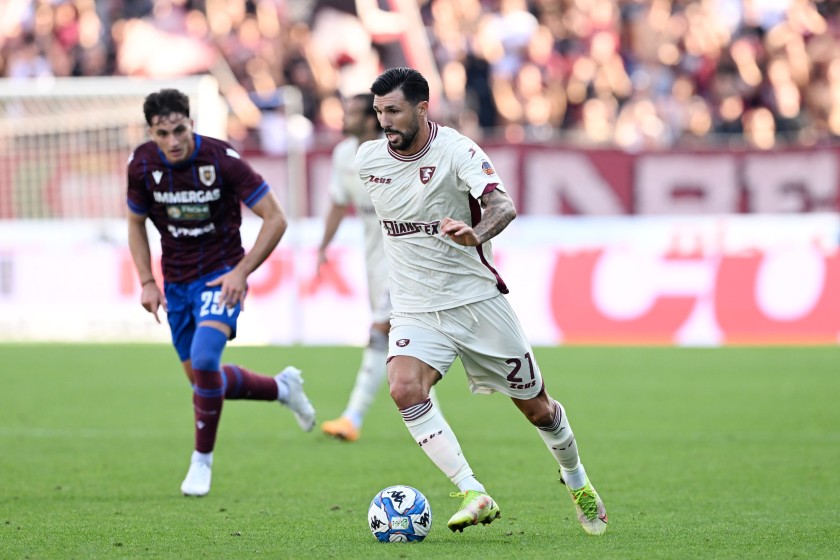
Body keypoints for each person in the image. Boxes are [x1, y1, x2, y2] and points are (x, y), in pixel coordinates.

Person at [356, 67, 608, 535]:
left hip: (476, 302)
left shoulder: (457, 151)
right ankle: (473, 490)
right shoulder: (369, 160)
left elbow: (502, 205)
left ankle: (575, 477)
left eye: (393, 110)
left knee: (539, 410)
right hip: (416, 305)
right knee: (404, 387)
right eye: (378, 112)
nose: (385, 121)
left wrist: (476, 233)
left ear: (421, 108)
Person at [126, 88, 316, 497]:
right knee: (202, 379)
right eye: (163, 133)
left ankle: (201, 462)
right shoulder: (141, 164)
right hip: (176, 283)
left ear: (191, 124)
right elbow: (135, 224)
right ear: (152, 133)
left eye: (179, 130)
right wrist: (146, 280)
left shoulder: (221, 160)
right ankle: (283, 389)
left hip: (219, 275)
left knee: (207, 359)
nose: (173, 141)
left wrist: (241, 272)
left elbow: (275, 218)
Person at [316, 93, 390, 442]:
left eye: (354, 113)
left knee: (381, 331)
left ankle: (353, 416)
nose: (345, 117)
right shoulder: (343, 153)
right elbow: (337, 201)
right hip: (373, 259)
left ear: (372, 120)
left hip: (404, 260)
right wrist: (323, 244)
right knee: (400, 344)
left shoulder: (392, 152)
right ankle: (426, 417)